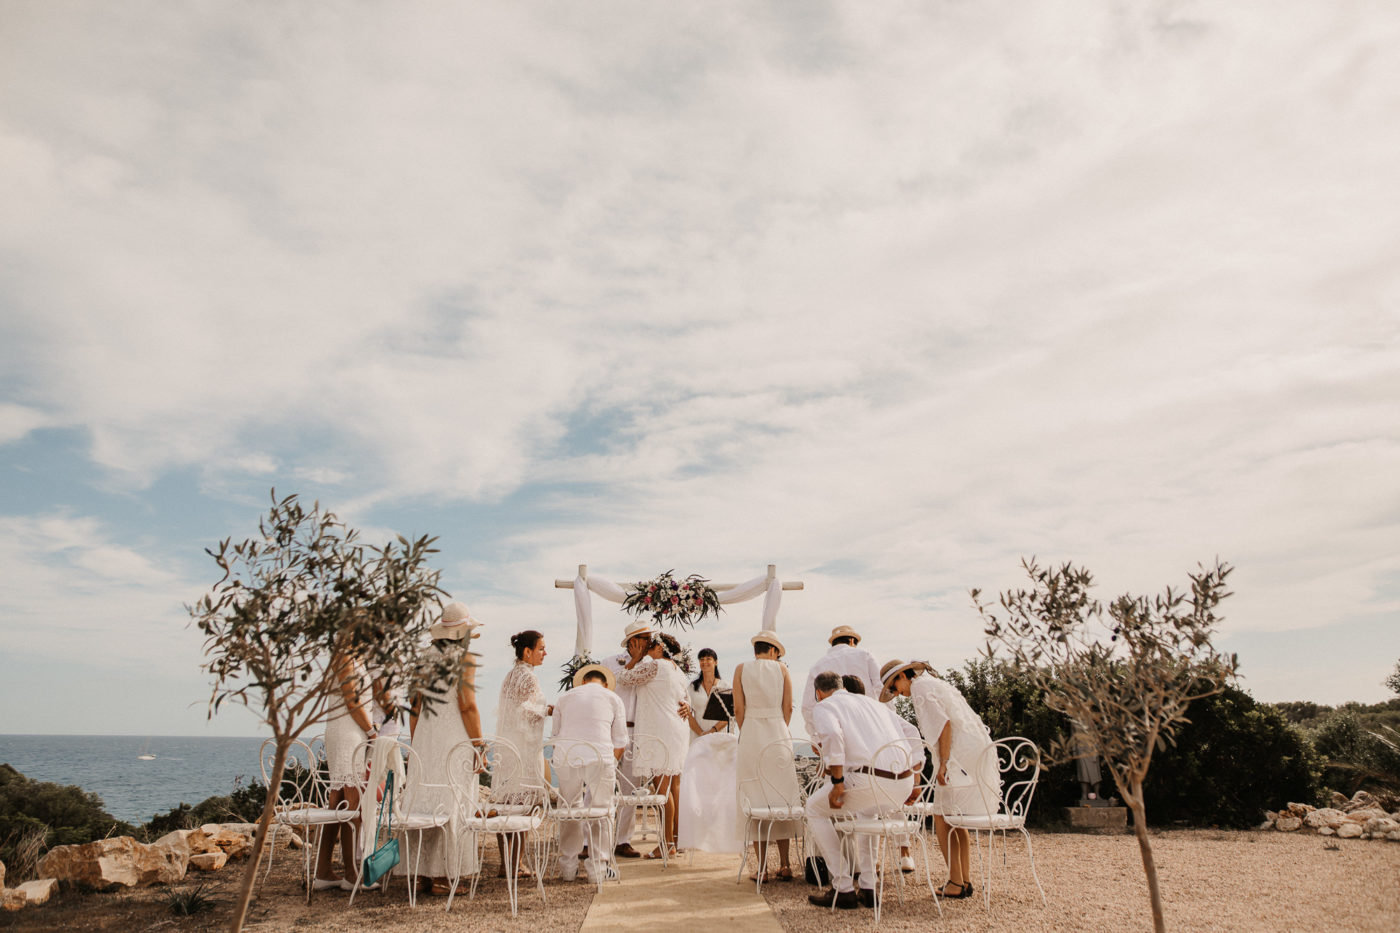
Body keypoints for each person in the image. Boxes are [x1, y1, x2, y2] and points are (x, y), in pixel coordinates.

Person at [880, 659, 999, 900]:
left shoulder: (921, 689)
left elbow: (943, 726)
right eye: (892, 691)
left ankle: (956, 881)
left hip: (957, 755)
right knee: (956, 819)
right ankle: (963, 880)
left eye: (894, 687)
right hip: (970, 752)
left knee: (942, 816)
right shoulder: (931, 683)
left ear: (904, 675)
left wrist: (943, 762)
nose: (897, 694)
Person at [804, 671, 921, 911]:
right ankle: (868, 887)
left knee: (814, 809)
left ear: (818, 693)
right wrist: (915, 776)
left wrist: (837, 782)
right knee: (867, 812)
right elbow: (913, 733)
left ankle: (842, 887)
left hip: (872, 781)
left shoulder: (825, 706)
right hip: (903, 782)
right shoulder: (872, 703)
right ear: (842, 686)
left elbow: (834, 736)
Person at [399, 602, 485, 897]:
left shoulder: (423, 658)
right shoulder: (464, 659)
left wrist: (416, 743)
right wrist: (479, 744)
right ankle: (445, 876)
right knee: (453, 800)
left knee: (426, 799)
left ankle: (423, 874)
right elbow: (467, 704)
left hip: (426, 735)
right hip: (454, 736)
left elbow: (414, 705)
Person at [733, 630, 800, 882]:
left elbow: (738, 707)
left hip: (750, 731)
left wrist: (747, 728)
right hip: (777, 732)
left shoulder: (741, 668)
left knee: (755, 797)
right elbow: (788, 707)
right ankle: (784, 864)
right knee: (781, 796)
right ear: (773, 651)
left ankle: (761, 868)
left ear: (756, 650)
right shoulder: (782, 670)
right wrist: (780, 726)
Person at [551, 664, 628, 883]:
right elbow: (620, 741)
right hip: (601, 758)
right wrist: (610, 763)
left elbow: (555, 737)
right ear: (605, 685)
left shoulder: (565, 698)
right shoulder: (613, 699)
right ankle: (598, 869)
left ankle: (568, 867)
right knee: (602, 811)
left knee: (569, 809)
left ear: (583, 682)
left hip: (567, 758)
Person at [616, 631, 691, 858]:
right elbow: (685, 699)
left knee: (662, 790)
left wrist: (636, 658)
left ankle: (666, 845)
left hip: (661, 732)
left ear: (660, 649)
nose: (647, 649)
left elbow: (623, 678)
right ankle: (673, 841)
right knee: (669, 788)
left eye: (651, 646)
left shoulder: (654, 666)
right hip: (676, 731)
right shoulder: (678, 671)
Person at [314, 641, 376, 891]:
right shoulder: (343, 657)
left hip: (353, 731)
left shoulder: (356, 657)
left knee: (337, 800)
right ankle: (351, 873)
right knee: (353, 802)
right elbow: (352, 700)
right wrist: (372, 732)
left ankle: (323, 871)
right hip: (347, 732)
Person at [494, 629, 551, 880]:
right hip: (523, 748)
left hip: (506, 747)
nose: (544, 653)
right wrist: (550, 709)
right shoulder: (528, 678)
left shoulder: (510, 676)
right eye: (541, 649)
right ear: (527, 652)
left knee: (505, 804)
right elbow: (527, 712)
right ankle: (514, 865)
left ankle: (505, 863)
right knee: (523, 806)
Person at [603, 619, 654, 859]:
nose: (649, 643)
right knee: (600, 783)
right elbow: (612, 687)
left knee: (631, 789)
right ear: (633, 641)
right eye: (645, 639)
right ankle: (590, 839)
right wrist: (632, 661)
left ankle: (623, 840)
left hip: (638, 730)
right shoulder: (610, 663)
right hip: (611, 730)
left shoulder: (652, 665)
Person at [799, 625, 884, 739]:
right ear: (852, 640)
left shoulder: (817, 666)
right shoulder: (865, 655)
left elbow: (808, 706)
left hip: (835, 729)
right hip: (868, 724)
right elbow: (881, 689)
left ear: (833, 643)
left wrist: (816, 737)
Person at [687, 648, 732, 740]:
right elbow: (688, 714)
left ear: (715, 662)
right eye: (702, 660)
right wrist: (701, 733)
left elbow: (728, 715)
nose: (704, 662)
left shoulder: (725, 686)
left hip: (719, 736)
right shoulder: (692, 687)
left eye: (708, 659)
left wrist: (712, 731)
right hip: (697, 736)